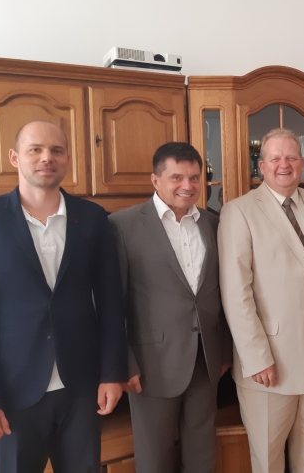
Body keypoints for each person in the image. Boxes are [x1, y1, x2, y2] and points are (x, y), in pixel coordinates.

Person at [0, 121, 128, 473]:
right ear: (15, 157)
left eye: (56, 150)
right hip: (12, 392)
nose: (47, 158)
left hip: (82, 387)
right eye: (35, 149)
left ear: (67, 159)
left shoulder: (92, 218)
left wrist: (112, 373)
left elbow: (110, 301)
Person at [218, 128, 304, 473]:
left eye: (291, 157)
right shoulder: (238, 211)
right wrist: (257, 358)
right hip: (270, 363)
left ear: (302, 163)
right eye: (275, 158)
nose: (284, 164)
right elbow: (236, 293)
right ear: (261, 166)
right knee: (269, 460)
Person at [109, 142, 232, 473]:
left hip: (207, 361)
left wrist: (225, 351)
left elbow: (223, 292)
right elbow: (112, 302)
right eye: (177, 177)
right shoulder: (122, 225)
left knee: (202, 456)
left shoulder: (213, 223)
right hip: (151, 366)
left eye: (194, 177)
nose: (187, 186)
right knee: (155, 459)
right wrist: (124, 363)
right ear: (156, 180)